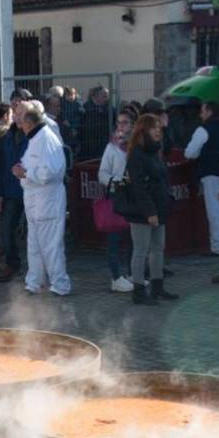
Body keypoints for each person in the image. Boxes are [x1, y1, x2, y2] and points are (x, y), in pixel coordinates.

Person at [115, 113, 178, 307]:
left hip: (158, 207)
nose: (158, 130)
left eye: (159, 126)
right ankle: (139, 291)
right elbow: (138, 187)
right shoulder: (137, 154)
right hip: (142, 210)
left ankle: (157, 287)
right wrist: (149, 211)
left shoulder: (154, 151)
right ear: (144, 131)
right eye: (154, 127)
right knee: (141, 250)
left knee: (158, 248)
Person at [13, 102, 70, 296]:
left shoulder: (46, 138)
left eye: (20, 115)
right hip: (34, 201)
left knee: (51, 245)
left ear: (29, 120)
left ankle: (60, 284)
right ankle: (34, 282)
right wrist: (23, 171)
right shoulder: (35, 139)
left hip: (48, 200)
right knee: (34, 245)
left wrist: (26, 172)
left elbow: (51, 172)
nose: (16, 118)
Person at [184, 99, 219, 285]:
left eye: (202, 111)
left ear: (208, 112)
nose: (200, 115)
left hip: (210, 172)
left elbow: (190, 153)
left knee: (214, 209)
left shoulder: (204, 129)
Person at [0, 103, 30, 282]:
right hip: (12, 191)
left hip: (33, 190)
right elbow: (3, 166)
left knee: (37, 234)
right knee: (7, 229)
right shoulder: (8, 136)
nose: (17, 118)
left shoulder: (35, 136)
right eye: (16, 114)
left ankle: (40, 271)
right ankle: (12, 265)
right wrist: (0, 193)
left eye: (22, 114)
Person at [97, 111, 136, 293]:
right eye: (119, 123)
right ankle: (116, 277)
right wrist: (114, 181)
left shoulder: (138, 145)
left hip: (135, 196)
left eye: (125, 123)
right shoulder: (112, 147)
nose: (121, 126)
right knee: (113, 238)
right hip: (117, 195)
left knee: (134, 238)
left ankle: (132, 273)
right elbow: (102, 172)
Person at [78, 86, 115, 160]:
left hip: (105, 141)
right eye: (104, 95)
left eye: (107, 95)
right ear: (95, 96)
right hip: (90, 144)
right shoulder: (86, 108)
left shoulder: (110, 108)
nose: (106, 97)